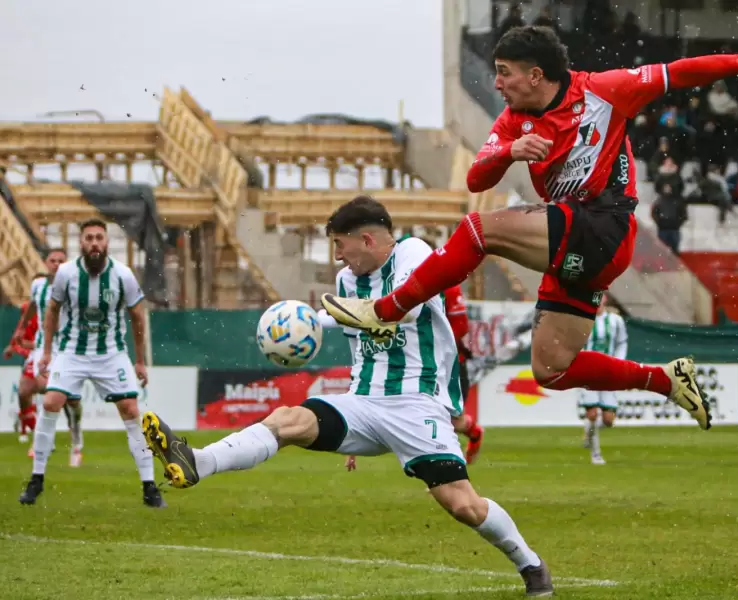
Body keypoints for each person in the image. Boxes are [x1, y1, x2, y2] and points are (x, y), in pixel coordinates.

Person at [323, 27, 738, 432]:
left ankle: (384, 310)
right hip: (576, 237)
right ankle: (665, 380)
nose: (497, 82)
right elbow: (476, 178)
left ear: (535, 75)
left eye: (505, 71)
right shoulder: (513, 120)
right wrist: (508, 152)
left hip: (604, 224)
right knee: (551, 368)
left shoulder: (606, 89)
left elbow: (680, 70)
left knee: (477, 230)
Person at [140, 197, 553, 597]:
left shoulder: (412, 251)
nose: (337, 256)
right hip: (365, 401)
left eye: (340, 244)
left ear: (368, 240)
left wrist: (328, 316)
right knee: (289, 420)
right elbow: (362, 350)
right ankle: (198, 461)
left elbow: (404, 309)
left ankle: (530, 564)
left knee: (463, 505)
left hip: (416, 401)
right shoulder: (347, 281)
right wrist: (355, 420)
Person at [18, 218, 164, 507]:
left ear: (107, 242)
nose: (94, 243)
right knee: (50, 403)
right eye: (89, 238)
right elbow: (52, 310)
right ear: (81, 243)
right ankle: (36, 479)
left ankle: (149, 486)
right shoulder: (66, 274)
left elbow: (137, 317)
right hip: (71, 350)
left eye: (99, 237)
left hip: (111, 353)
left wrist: (139, 361)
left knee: (131, 409)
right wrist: (47, 352)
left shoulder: (123, 275)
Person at [10, 249, 86, 464]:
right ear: (45, 263)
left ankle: (76, 440)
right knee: (26, 389)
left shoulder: (75, 287)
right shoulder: (38, 286)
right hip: (42, 348)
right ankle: (41, 439)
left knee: (70, 401)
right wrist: (21, 328)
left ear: (67, 264)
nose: (56, 264)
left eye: (61, 261)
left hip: (67, 349)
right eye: (52, 260)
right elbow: (33, 306)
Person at [577, 296, 626, 465]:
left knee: (608, 420)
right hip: (588, 372)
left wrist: (618, 363)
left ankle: (588, 430)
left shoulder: (616, 321)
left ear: (604, 301)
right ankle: (595, 455)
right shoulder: (582, 320)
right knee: (592, 414)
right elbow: (576, 344)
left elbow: (622, 343)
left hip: (608, 372)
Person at [443, 283, 485, 464]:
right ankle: (473, 432)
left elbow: (461, 326)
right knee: (439, 419)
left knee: (449, 421)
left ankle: (447, 474)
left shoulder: (448, 286)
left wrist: (438, 346)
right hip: (428, 364)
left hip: (452, 365)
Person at [3, 300, 39, 443]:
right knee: (25, 395)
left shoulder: (48, 313)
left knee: (30, 398)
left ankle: (27, 425)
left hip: (42, 357)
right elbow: (19, 332)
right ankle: (29, 431)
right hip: (30, 358)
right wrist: (14, 346)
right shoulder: (27, 312)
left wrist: (20, 346)